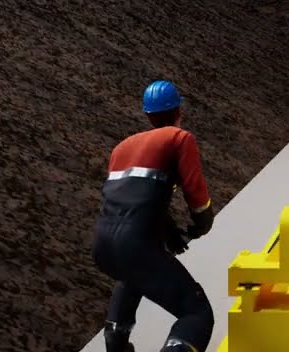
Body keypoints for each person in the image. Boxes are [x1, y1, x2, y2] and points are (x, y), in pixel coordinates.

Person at [92, 80, 216, 352]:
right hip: (135, 243)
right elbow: (196, 193)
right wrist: (202, 224)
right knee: (196, 313)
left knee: (133, 275)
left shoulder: (122, 147)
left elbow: (137, 197)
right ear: (178, 111)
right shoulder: (179, 139)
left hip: (102, 245)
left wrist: (169, 234)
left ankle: (116, 341)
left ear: (148, 114)